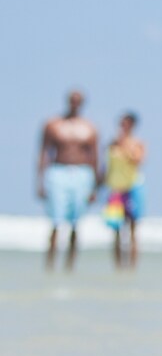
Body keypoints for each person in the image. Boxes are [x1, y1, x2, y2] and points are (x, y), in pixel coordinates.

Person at [36, 89, 100, 271]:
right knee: (56, 221)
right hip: (58, 172)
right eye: (72, 100)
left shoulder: (89, 127)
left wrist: (95, 186)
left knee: (76, 224)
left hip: (82, 174)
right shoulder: (53, 124)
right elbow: (43, 153)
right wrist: (40, 181)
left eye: (78, 101)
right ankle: (49, 266)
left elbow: (95, 157)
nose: (74, 104)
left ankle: (69, 267)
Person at [103, 111, 147, 269]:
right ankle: (118, 267)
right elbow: (107, 166)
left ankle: (132, 267)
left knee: (133, 229)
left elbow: (138, 161)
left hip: (133, 187)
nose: (123, 127)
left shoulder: (137, 143)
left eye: (126, 123)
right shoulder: (111, 144)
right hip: (115, 189)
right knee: (116, 230)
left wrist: (125, 145)